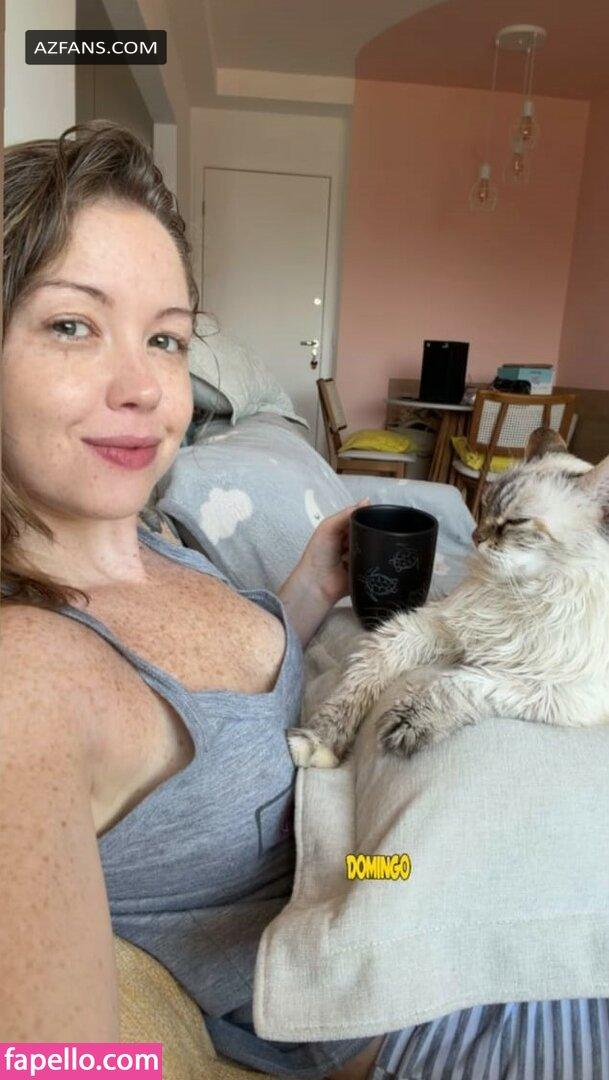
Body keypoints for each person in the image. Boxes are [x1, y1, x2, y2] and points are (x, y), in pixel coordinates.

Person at [0, 121, 605, 1080]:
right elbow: (53, 1061)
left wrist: (310, 586)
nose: (144, 387)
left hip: (377, 865)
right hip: (388, 995)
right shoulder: (26, 679)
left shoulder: (158, 541)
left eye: (165, 338)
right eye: (72, 324)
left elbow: (236, 703)